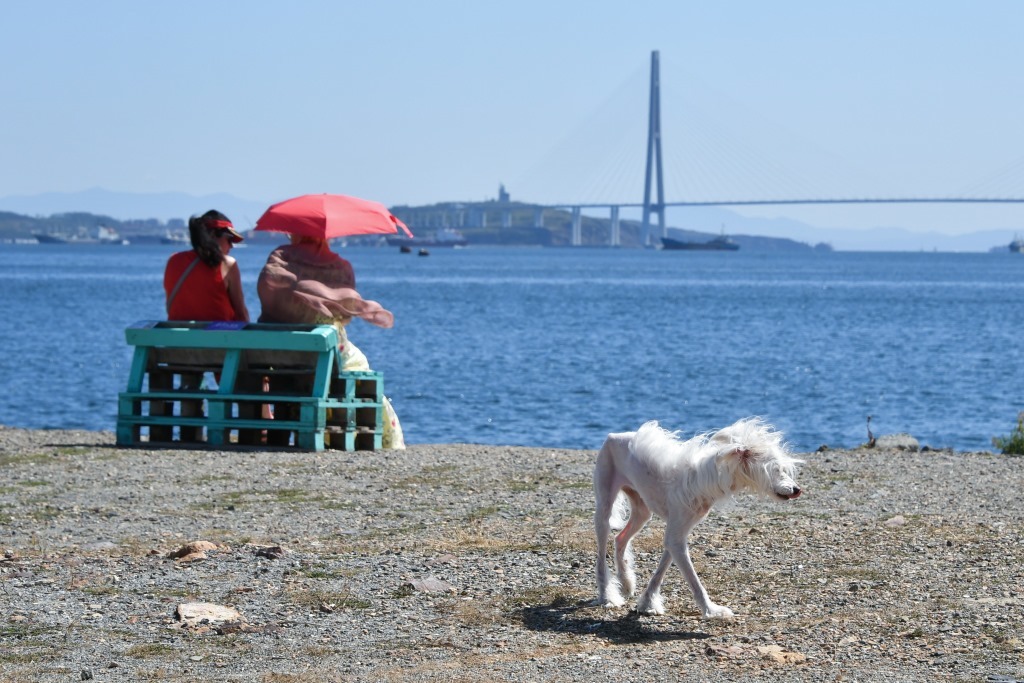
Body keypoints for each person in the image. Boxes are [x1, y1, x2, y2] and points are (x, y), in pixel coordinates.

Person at [257, 234, 405, 449]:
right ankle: (364, 437)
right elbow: (345, 317)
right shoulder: (340, 267)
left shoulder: (281, 258)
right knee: (357, 365)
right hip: (329, 360)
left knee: (321, 361)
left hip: (284, 358)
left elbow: (268, 292)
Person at [164, 210, 249, 322]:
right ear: (213, 235)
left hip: (177, 338)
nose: (231, 246)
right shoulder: (227, 264)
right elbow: (241, 314)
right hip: (218, 337)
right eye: (229, 239)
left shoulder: (173, 260)